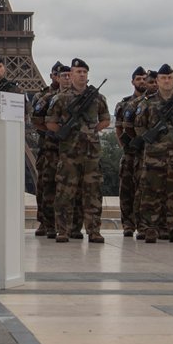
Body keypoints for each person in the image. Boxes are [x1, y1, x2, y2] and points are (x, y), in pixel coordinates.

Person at [46, 58, 109, 243]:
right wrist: (67, 132)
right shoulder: (61, 98)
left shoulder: (97, 97)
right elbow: (50, 123)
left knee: (93, 193)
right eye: (78, 71)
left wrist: (91, 131)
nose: (82, 75)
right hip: (69, 153)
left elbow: (105, 119)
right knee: (65, 193)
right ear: (70, 74)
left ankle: (94, 230)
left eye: (84, 72)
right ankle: (63, 230)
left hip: (91, 153)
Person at [133, 64, 173, 243]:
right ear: (157, 81)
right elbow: (139, 127)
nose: (167, 81)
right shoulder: (147, 103)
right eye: (163, 78)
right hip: (155, 156)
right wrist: (153, 137)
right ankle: (150, 228)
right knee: (151, 193)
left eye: (170, 78)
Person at [31, 61, 67, 237]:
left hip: (69, 149)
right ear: (53, 76)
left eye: (67, 75)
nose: (64, 78)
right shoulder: (43, 97)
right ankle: (46, 223)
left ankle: (65, 225)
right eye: (59, 75)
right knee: (46, 186)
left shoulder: (75, 96)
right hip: (49, 147)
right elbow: (36, 121)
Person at [114, 67, 149, 237]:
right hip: (130, 152)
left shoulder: (151, 102)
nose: (142, 81)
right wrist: (125, 147)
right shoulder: (124, 104)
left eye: (144, 78)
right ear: (132, 82)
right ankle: (128, 224)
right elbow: (119, 128)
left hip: (147, 153)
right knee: (127, 190)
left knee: (143, 191)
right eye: (138, 79)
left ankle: (143, 224)